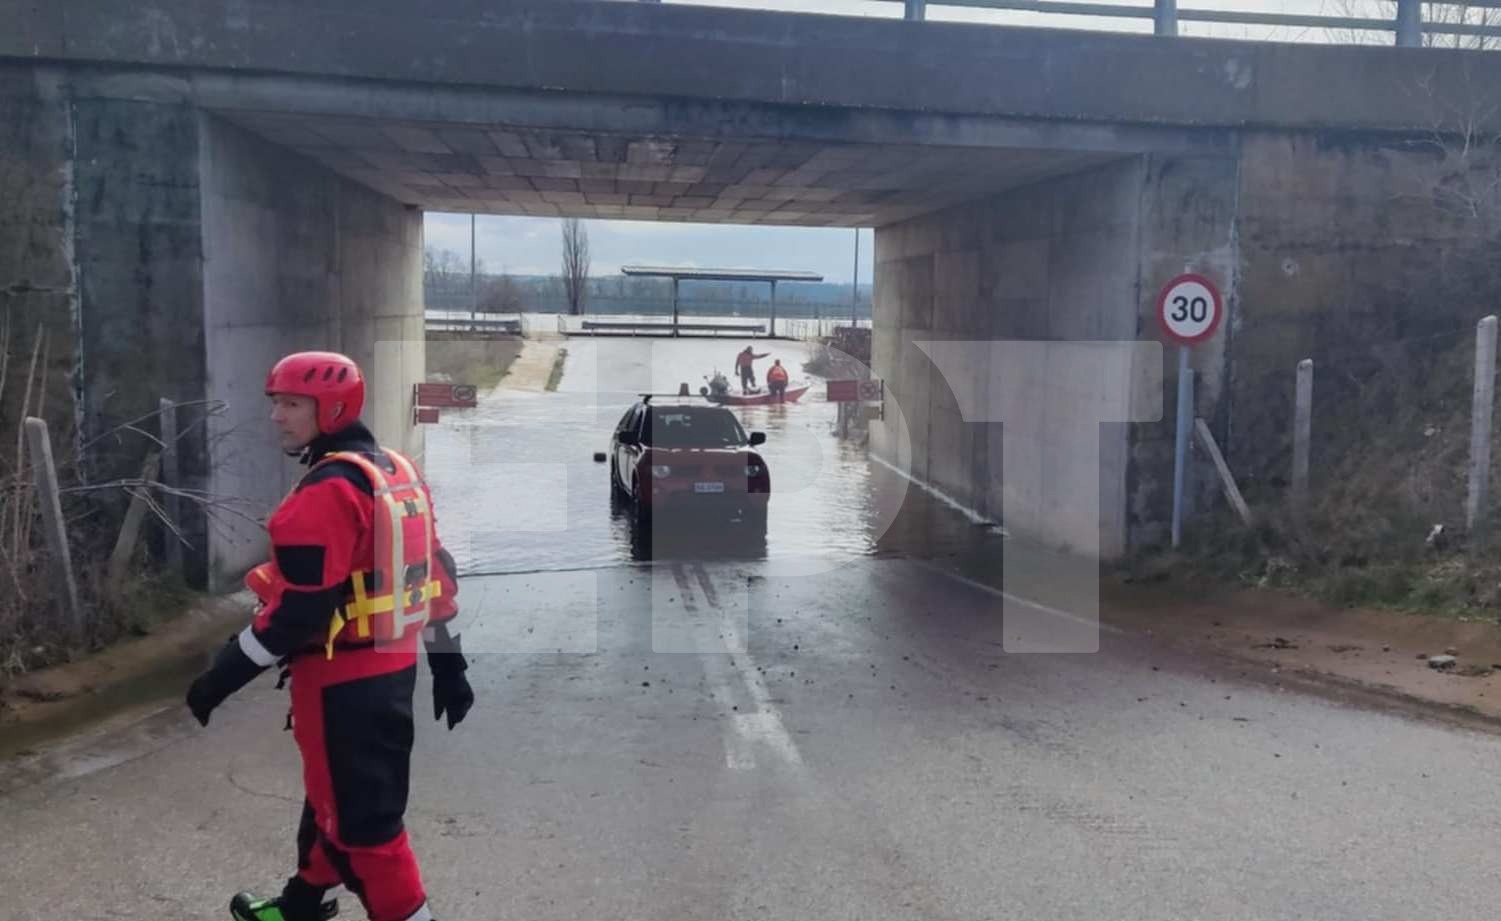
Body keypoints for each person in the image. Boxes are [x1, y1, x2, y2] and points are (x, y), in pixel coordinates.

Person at [186, 351, 474, 921]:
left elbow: (297, 615)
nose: (277, 417)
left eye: (293, 405)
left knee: (365, 829)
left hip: (340, 686)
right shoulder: (395, 471)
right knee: (335, 799)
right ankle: (299, 908)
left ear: (333, 409)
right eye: (276, 403)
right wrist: (448, 664)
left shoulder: (326, 492)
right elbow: (434, 575)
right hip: (392, 673)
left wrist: (221, 677)